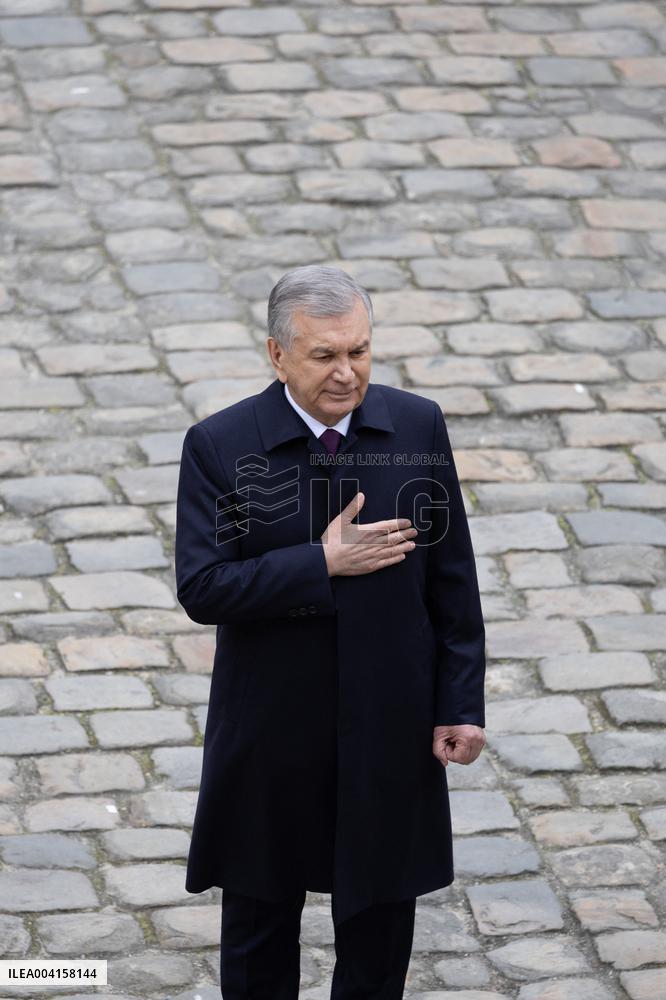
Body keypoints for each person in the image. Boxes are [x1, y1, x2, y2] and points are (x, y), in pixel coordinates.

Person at [174, 264, 486, 999]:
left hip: (390, 722)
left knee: (379, 935)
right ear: (278, 355)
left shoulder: (416, 425)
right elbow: (203, 586)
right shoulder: (220, 446)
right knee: (259, 930)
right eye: (324, 356)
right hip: (271, 729)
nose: (347, 373)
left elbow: (453, 580)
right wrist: (321, 562)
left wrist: (460, 702)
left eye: (360, 351)